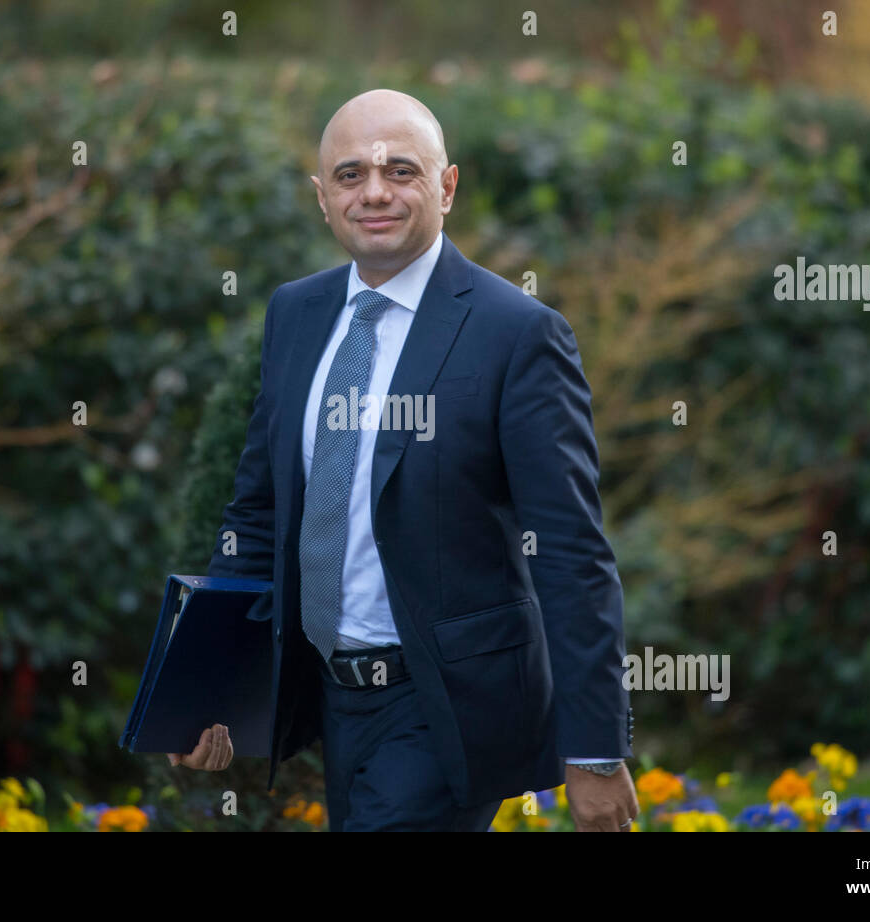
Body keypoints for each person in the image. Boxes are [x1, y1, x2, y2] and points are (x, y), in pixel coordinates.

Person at [168, 89, 637, 832]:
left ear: (447, 187)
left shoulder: (519, 336)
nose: (375, 192)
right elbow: (256, 513)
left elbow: (573, 555)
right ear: (322, 198)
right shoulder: (296, 313)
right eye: (350, 175)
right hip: (324, 695)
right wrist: (213, 690)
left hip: (445, 705)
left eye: (401, 171)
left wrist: (596, 750)